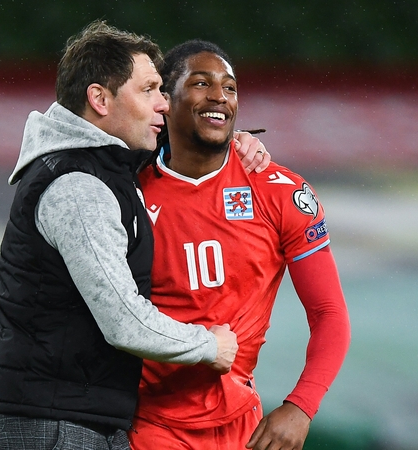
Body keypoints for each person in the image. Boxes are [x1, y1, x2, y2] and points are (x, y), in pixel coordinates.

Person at [0, 21, 270, 450]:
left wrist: (232, 143)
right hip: (59, 430)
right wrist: (209, 345)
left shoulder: (102, 168)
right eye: (150, 89)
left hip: (58, 424)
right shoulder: (80, 186)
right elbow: (123, 322)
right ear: (99, 99)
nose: (164, 106)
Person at [128, 40, 351, 450]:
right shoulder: (124, 192)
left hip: (241, 429)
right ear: (165, 99)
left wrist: (301, 407)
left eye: (229, 88)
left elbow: (329, 313)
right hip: (144, 424)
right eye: (201, 83)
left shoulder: (281, 192)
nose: (219, 96)